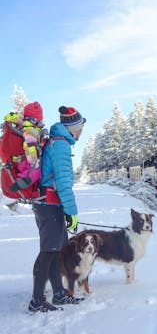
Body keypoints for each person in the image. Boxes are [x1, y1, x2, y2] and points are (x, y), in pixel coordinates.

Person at [28, 105, 86, 313]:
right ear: (71, 128)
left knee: (54, 251)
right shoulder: (60, 146)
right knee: (47, 252)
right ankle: (36, 300)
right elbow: (63, 182)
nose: (80, 132)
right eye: (79, 128)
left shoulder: (56, 141)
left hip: (49, 203)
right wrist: (72, 212)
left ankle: (59, 294)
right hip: (49, 204)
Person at [5, 102, 46, 192]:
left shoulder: (24, 125)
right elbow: (29, 145)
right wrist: (34, 161)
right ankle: (22, 181)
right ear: (37, 119)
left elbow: (8, 116)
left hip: (20, 160)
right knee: (37, 170)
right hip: (25, 160)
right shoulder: (30, 129)